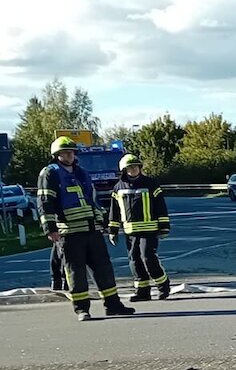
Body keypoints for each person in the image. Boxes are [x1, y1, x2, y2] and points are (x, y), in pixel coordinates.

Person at [37, 136, 134, 322]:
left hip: (91, 229)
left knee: (104, 269)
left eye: (71, 152)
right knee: (76, 272)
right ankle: (82, 309)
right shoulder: (50, 173)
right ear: (56, 155)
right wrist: (49, 227)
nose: (69, 155)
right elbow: (45, 200)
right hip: (69, 232)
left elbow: (92, 199)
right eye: (65, 153)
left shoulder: (81, 173)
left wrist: (102, 221)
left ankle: (113, 305)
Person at [107, 153, 171, 301]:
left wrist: (164, 226)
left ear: (140, 167)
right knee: (134, 261)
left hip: (149, 229)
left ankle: (163, 285)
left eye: (135, 166)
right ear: (124, 170)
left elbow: (160, 206)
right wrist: (112, 230)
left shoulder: (150, 183)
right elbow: (114, 211)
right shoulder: (118, 188)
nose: (133, 169)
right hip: (130, 232)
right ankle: (142, 291)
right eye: (130, 167)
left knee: (147, 258)